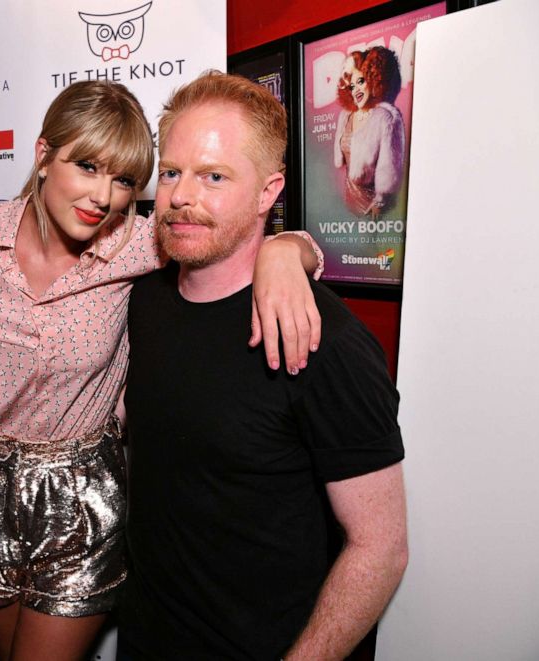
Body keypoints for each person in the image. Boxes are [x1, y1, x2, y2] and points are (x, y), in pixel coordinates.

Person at [0, 80, 325, 661]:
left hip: (79, 498)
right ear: (44, 154)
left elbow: (236, 242)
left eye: (124, 180)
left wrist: (288, 252)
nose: (103, 196)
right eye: (89, 166)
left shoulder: (141, 244)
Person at [119, 71, 408, 660]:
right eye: (171, 172)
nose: (180, 197)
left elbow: (379, 548)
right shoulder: (142, 302)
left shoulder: (324, 340)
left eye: (214, 177)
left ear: (268, 192)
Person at [333, 46, 406, 218]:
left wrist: (380, 201)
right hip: (348, 202)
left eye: (361, 82)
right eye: (352, 86)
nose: (356, 90)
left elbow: (390, 167)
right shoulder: (345, 117)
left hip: (372, 208)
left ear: (373, 81)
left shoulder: (385, 118)